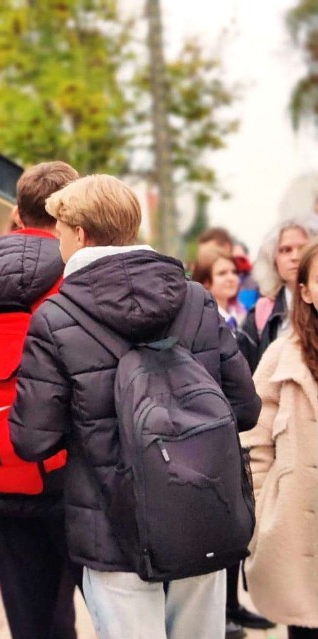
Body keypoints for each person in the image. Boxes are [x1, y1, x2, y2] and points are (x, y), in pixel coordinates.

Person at [9, 174, 261, 639]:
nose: (58, 240)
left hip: (111, 528)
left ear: (80, 234)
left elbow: (31, 440)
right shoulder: (197, 300)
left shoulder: (56, 318)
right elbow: (245, 408)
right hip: (199, 514)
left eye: (60, 230)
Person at [0, 161, 81, 639]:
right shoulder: (80, 277)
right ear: (73, 212)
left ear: (19, 215)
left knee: (33, 625)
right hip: (79, 482)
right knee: (116, 616)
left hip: (4, 481)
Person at [240, 237, 318, 639]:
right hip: (296, 532)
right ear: (304, 291)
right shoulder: (280, 357)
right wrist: (263, 509)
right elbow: (254, 439)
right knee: (305, 626)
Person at [192, 250, 271, 637]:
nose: (230, 280)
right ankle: (220, 613)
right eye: (220, 273)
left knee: (238, 523)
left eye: (232, 273)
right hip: (221, 433)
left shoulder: (240, 316)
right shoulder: (207, 324)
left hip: (245, 428)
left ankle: (233, 606)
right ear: (204, 282)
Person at [238, 220, 313, 372]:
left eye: (303, 248)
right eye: (286, 250)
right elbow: (244, 378)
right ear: (273, 260)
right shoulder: (259, 314)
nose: (295, 256)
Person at [191, 251, 246, 333]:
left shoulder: (242, 313)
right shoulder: (199, 321)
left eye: (234, 272)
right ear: (205, 281)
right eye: (222, 273)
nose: (232, 278)